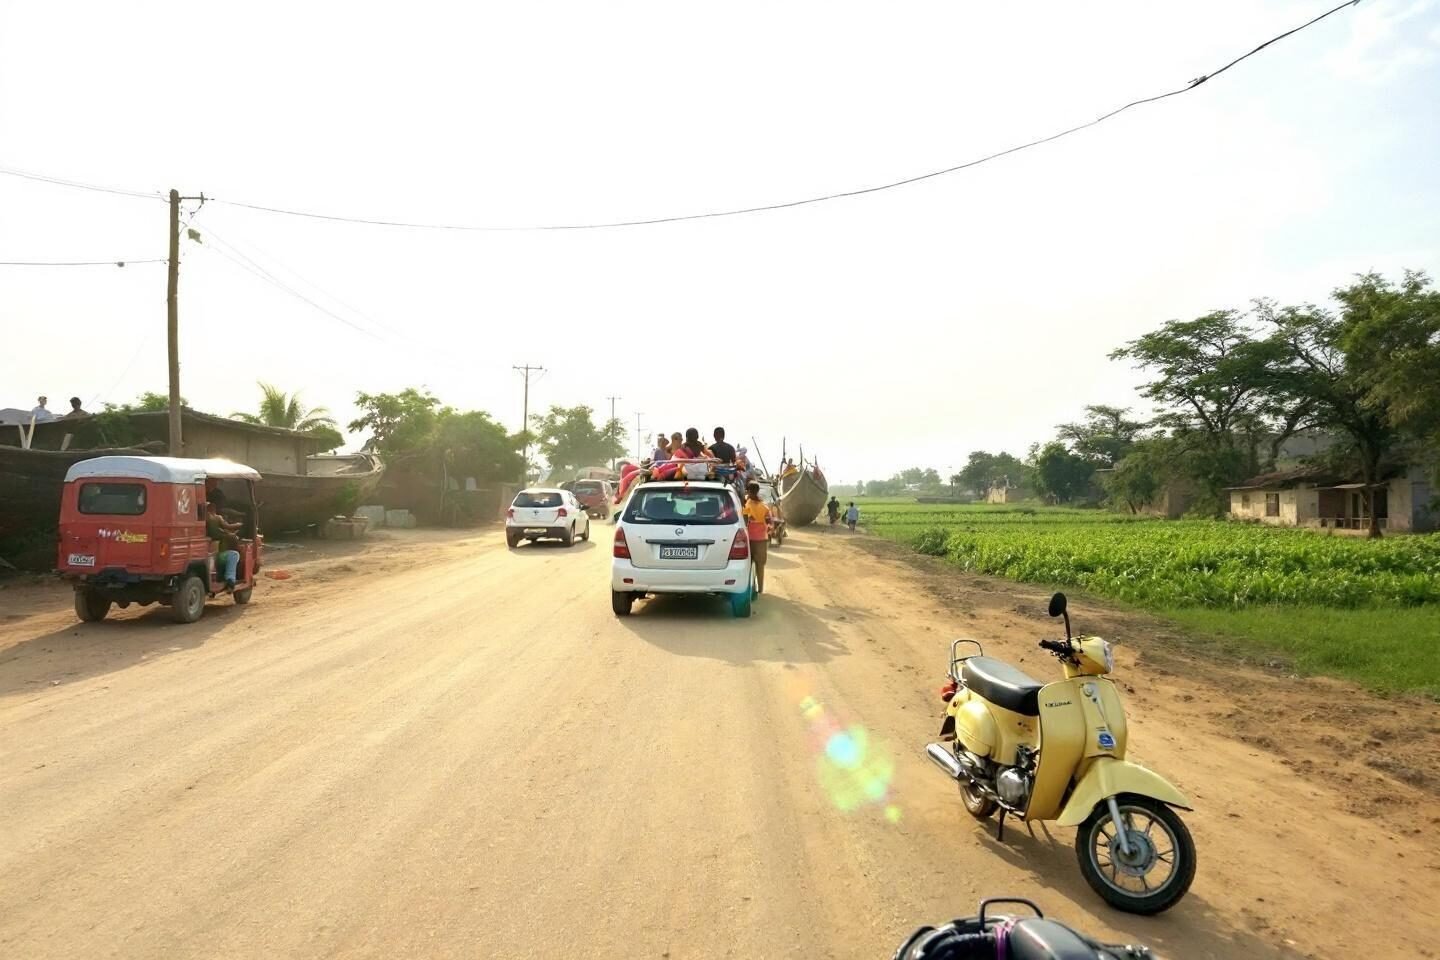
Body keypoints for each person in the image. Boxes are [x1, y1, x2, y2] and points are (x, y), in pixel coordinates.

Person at [206, 500, 243, 591]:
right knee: (234, 555)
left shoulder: (202, 519)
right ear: (213, 509)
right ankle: (230, 580)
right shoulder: (216, 518)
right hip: (215, 555)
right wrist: (239, 524)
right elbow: (228, 526)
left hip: (208, 555)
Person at [742, 481, 771, 596]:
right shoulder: (764, 506)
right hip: (761, 540)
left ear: (748, 491)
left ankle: (749, 588)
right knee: (760, 565)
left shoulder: (746, 504)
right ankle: (760, 589)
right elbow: (769, 522)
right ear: (758, 491)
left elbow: (744, 519)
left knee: (748, 565)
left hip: (748, 539)